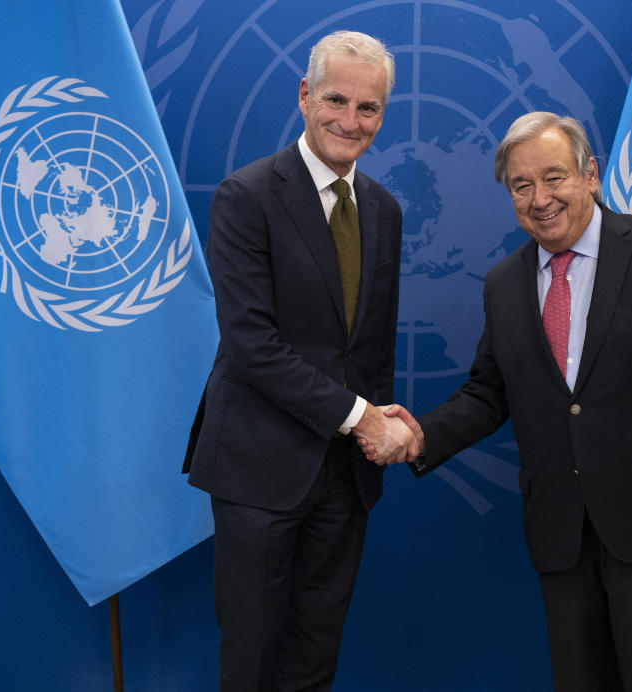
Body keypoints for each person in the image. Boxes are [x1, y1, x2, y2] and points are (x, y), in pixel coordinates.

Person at [364, 112, 632, 691]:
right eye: (522, 186)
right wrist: (421, 435)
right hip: (562, 532)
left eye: (554, 177)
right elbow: (489, 392)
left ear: (589, 175)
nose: (539, 198)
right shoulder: (503, 282)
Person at [182, 30, 413, 692]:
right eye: (337, 99)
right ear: (306, 96)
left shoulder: (385, 211)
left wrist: (375, 421)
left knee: (316, 656)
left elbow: (367, 345)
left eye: (368, 108)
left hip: (344, 480)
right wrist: (361, 417)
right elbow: (253, 346)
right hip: (258, 470)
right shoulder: (245, 196)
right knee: (252, 658)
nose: (350, 120)